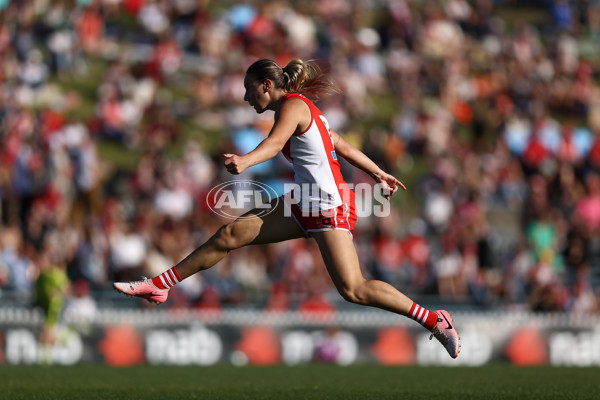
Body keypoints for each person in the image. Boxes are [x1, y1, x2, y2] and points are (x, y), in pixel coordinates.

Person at [113, 58, 460, 358]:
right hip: (303, 201)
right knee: (230, 234)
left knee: (353, 289)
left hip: (327, 203)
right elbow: (340, 143)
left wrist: (246, 161)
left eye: (250, 90)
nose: (247, 98)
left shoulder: (294, 106)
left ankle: (434, 319)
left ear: (267, 85)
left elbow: (275, 143)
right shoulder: (303, 109)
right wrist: (378, 172)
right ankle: (161, 284)